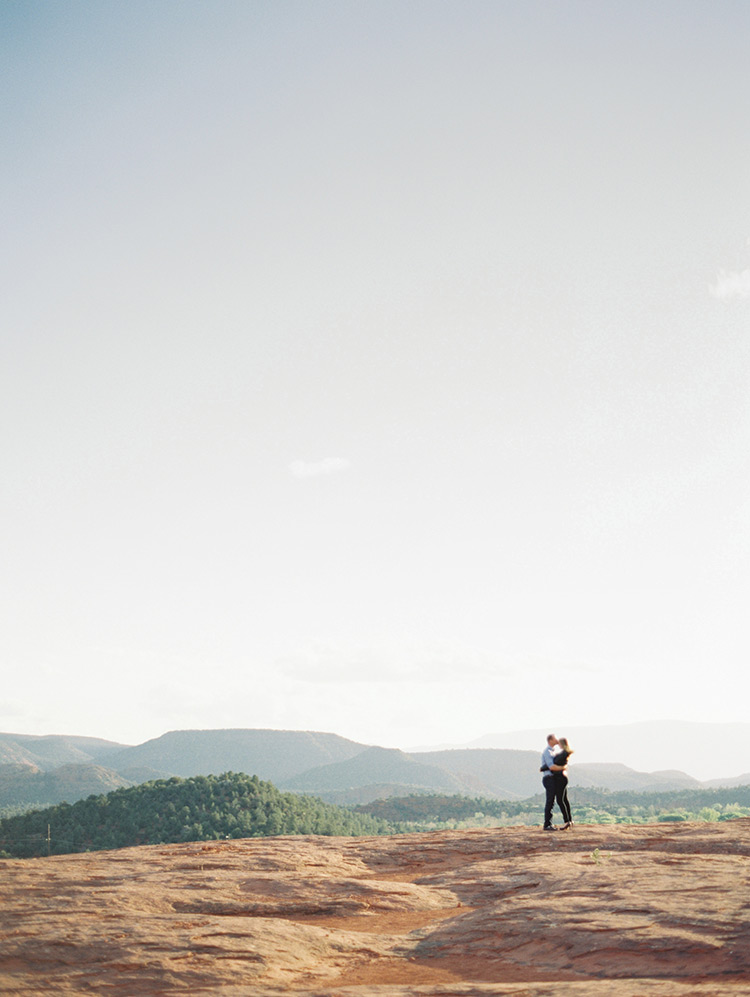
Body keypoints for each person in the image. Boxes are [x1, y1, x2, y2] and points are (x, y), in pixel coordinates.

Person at [552, 737, 574, 830]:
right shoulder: (565, 753)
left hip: (560, 778)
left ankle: (567, 821)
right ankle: (569, 820)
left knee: (560, 800)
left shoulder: (563, 754)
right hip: (562, 778)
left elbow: (555, 763)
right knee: (564, 799)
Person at [540, 734, 560, 830]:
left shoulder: (552, 751)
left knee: (551, 801)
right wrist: (562, 768)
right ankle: (547, 824)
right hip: (549, 778)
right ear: (550, 740)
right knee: (550, 801)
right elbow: (551, 766)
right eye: (555, 738)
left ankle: (548, 823)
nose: (557, 740)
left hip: (551, 778)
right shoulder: (547, 752)